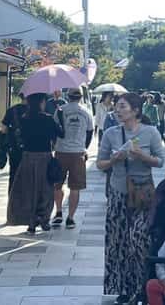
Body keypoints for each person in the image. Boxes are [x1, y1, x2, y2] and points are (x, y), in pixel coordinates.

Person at [97, 93, 165, 304]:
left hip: (143, 194)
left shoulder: (150, 132)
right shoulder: (111, 133)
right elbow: (100, 164)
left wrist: (142, 156)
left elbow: (160, 161)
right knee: (117, 242)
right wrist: (114, 160)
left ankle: (142, 286)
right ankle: (121, 289)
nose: (118, 110)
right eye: (117, 106)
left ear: (135, 110)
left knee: (138, 240)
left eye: (122, 106)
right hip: (118, 192)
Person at [7, 92, 64, 235]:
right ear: (41, 103)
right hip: (45, 157)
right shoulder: (48, 119)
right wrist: (60, 117)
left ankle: (31, 222)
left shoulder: (24, 119)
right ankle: (44, 219)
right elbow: (61, 134)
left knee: (30, 190)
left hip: (27, 157)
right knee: (46, 190)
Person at [52, 88, 94, 229]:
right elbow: (90, 132)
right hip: (78, 153)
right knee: (75, 188)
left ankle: (58, 212)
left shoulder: (60, 110)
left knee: (57, 184)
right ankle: (70, 218)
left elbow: (54, 129)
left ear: (68, 96)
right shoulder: (86, 112)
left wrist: (56, 144)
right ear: (81, 97)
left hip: (61, 151)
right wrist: (83, 147)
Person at [2, 93, 28, 192]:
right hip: (30, 149)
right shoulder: (33, 111)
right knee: (28, 176)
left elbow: (4, 129)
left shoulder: (12, 110)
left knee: (13, 174)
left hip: (14, 147)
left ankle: (12, 196)